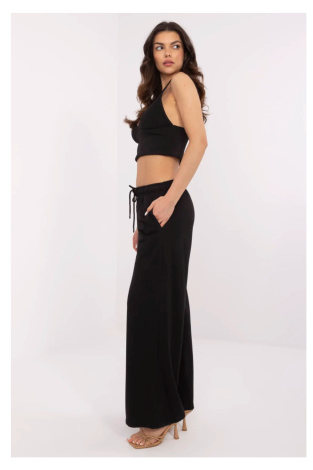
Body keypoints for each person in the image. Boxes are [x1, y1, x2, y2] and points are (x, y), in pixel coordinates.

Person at [124, 21, 208, 449]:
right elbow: (147, 160)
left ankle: (157, 416)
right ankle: (178, 401)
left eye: (175, 46)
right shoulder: (157, 96)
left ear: (184, 52)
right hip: (153, 207)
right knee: (165, 300)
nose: (168, 53)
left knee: (150, 305)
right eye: (160, 47)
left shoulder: (181, 84)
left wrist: (170, 200)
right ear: (151, 54)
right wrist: (142, 222)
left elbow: (199, 142)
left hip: (168, 203)